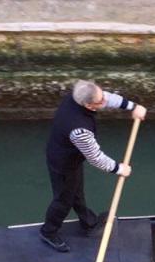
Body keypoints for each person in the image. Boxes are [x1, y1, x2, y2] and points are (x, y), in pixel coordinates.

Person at [40, 79, 146, 252]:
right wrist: (119, 168)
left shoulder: (78, 94)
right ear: (89, 105)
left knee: (76, 192)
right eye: (100, 102)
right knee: (63, 200)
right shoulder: (79, 130)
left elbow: (107, 98)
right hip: (63, 163)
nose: (104, 102)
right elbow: (95, 157)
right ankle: (48, 232)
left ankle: (89, 223)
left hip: (70, 156)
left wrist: (133, 107)